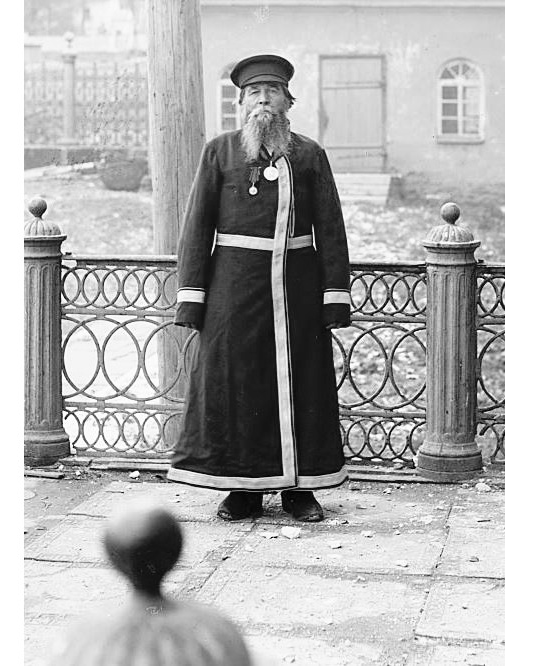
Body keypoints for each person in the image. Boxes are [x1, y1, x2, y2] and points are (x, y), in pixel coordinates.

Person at [167, 54, 351, 522]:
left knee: (301, 385)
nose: (263, 100)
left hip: (296, 293)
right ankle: (240, 490)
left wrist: (334, 294)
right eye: (254, 93)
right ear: (241, 103)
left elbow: (331, 227)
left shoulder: (309, 154)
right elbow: (197, 228)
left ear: (288, 102)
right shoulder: (220, 152)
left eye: (272, 92)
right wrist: (192, 296)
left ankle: (300, 491)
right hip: (233, 292)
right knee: (236, 386)